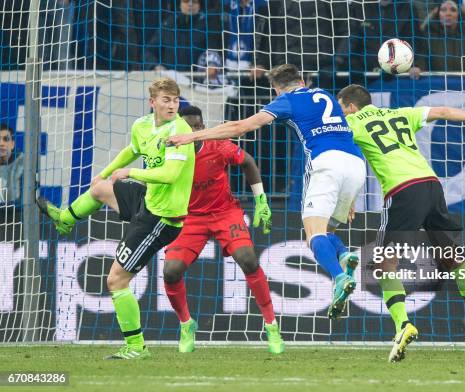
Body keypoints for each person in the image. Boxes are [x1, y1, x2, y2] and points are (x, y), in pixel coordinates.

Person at [168, 64, 366, 320]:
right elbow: (346, 135)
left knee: (314, 235)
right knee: (328, 232)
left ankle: (339, 276)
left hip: (326, 164)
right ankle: (344, 255)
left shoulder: (287, 101)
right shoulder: (326, 95)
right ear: (303, 79)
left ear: (275, 89)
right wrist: (351, 196)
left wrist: (193, 137)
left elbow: (240, 127)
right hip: (355, 165)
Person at [336, 84, 465, 361]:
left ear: (351, 107)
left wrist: (348, 197)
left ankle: (403, 325)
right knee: (451, 256)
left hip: (402, 190)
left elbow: (348, 161)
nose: (342, 113)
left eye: (342, 107)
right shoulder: (401, 114)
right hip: (431, 185)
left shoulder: (351, 123)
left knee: (383, 262)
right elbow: (443, 110)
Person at [38, 77, 195, 359]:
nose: (172, 105)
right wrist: (106, 170)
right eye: (166, 100)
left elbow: (170, 176)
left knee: (116, 281)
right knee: (99, 188)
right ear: (153, 102)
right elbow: (131, 150)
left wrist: (131, 173)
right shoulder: (142, 125)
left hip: (162, 219)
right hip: (147, 201)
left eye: (175, 100)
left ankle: (136, 347)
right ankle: (65, 219)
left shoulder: (179, 131)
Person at [163, 105, 284, 354]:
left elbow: (248, 162)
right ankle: (187, 324)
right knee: (171, 271)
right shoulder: (170, 153)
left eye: (198, 127)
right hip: (189, 217)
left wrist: (260, 199)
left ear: (203, 128)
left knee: (248, 260)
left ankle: (272, 326)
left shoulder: (218, 145)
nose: (195, 131)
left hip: (224, 212)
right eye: (190, 127)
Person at [0, 124, 23, 205]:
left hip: (15, 214)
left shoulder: (23, 164)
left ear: (12, 144)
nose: (1, 143)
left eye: (5, 139)